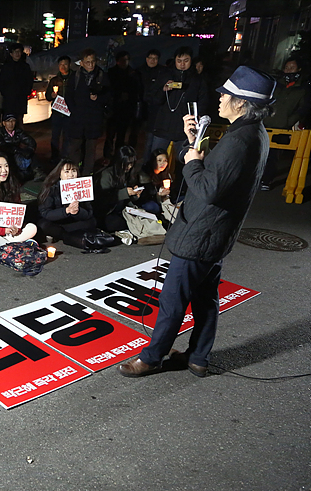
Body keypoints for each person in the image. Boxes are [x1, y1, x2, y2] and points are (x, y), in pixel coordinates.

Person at [118, 66, 276, 378]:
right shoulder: (252, 133)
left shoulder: (240, 140)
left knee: (173, 300)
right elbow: (220, 175)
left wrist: (191, 163)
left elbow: (207, 187)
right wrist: (195, 141)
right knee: (205, 298)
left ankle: (152, 357)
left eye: (226, 95)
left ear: (242, 103)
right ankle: (198, 356)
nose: (220, 99)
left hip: (202, 233)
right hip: (217, 234)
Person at [146, 47, 209, 159]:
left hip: (184, 130)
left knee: (184, 160)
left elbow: (203, 101)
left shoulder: (197, 79)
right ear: (174, 60)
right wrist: (163, 90)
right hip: (163, 126)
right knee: (156, 159)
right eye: (179, 61)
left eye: (186, 60)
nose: (182, 64)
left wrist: (197, 117)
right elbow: (153, 99)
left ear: (191, 60)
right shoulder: (165, 75)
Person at [261, 57, 308, 190]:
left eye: (292, 68)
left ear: (299, 69)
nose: (288, 70)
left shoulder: (302, 89)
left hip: (283, 126)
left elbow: (302, 108)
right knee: (260, 152)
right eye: (286, 68)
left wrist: (289, 121)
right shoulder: (276, 84)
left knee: (274, 155)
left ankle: (267, 179)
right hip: (266, 122)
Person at [64, 48, 110, 175]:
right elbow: (68, 95)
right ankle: (73, 173)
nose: (90, 64)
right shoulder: (76, 76)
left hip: (94, 120)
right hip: (78, 120)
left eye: (92, 62)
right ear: (82, 63)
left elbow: (109, 96)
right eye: (87, 62)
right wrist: (74, 111)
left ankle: (86, 175)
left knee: (91, 150)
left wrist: (98, 98)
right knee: (74, 149)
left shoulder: (101, 75)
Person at [36, 159, 96, 249]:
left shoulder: (82, 187)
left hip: (74, 222)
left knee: (92, 222)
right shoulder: (51, 188)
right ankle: (68, 236)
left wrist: (78, 211)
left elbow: (88, 213)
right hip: (57, 223)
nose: (71, 175)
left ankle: (64, 236)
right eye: (66, 172)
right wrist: (66, 210)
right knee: (43, 225)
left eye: (74, 171)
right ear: (59, 174)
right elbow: (46, 213)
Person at [94, 145, 145, 232]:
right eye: (126, 163)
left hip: (123, 209)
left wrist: (135, 194)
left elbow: (127, 200)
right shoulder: (107, 175)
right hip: (107, 212)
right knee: (116, 224)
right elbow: (102, 199)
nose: (129, 167)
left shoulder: (129, 174)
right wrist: (125, 193)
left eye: (131, 164)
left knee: (149, 210)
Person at [104, 50, 141, 158]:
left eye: (127, 60)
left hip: (126, 110)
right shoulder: (111, 73)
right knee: (110, 135)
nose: (125, 62)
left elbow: (136, 90)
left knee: (121, 135)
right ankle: (107, 156)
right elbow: (108, 90)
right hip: (113, 109)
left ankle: (117, 156)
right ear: (117, 61)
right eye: (122, 60)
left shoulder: (132, 73)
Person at [137, 49, 167, 160]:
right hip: (141, 108)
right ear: (146, 59)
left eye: (155, 58)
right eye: (151, 58)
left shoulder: (162, 72)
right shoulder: (139, 71)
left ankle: (148, 163)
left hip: (155, 110)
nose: (152, 60)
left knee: (150, 139)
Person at [0, 113, 37, 180]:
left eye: (13, 121)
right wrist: (18, 150)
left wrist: (29, 150)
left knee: (32, 155)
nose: (11, 123)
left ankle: (37, 172)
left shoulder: (18, 132)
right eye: (8, 121)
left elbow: (31, 141)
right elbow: (1, 145)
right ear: (4, 123)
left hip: (17, 154)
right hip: (3, 155)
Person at [44, 55, 73, 160]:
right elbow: (47, 96)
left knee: (67, 136)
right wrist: (51, 95)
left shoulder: (74, 78)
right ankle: (55, 156)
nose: (63, 66)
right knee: (55, 136)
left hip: (69, 113)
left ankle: (65, 156)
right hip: (57, 112)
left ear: (69, 65)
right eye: (61, 64)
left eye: (65, 64)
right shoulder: (54, 80)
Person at [0, 43, 33, 118]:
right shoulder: (6, 67)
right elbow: (1, 82)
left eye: (19, 51)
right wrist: (5, 93)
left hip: (21, 98)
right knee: (9, 118)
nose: (17, 54)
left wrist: (26, 92)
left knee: (19, 119)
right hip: (9, 98)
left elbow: (29, 81)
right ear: (11, 54)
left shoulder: (25, 67)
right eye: (15, 52)